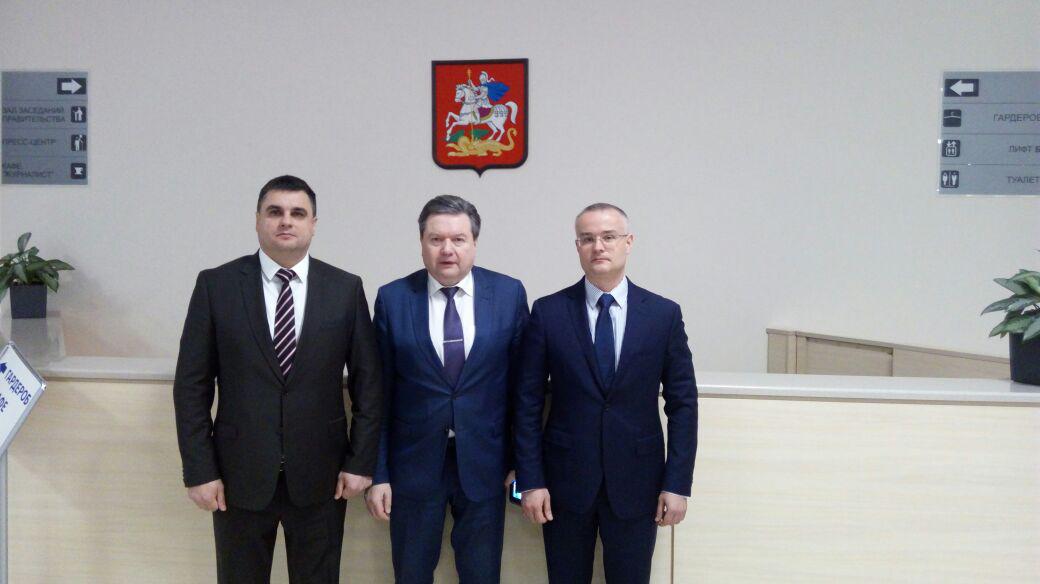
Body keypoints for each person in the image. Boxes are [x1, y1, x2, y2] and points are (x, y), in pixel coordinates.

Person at [173, 175, 382, 584]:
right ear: (257, 220)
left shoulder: (344, 289)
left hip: (323, 477)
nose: (286, 221)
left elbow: (369, 385)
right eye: (275, 212)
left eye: (297, 213)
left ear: (313, 224)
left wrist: (360, 462)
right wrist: (199, 469)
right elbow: (191, 386)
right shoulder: (216, 286)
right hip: (238, 476)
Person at [514, 203, 698, 583]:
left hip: (639, 483)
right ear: (577, 247)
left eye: (608, 237)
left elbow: (683, 404)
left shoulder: (663, 315)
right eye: (587, 239)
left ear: (628, 242)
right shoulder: (548, 313)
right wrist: (530, 480)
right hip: (564, 485)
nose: (598, 246)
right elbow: (526, 402)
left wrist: (677, 483)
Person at [365, 195, 528, 583]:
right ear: (421, 243)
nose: (447, 249)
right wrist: (378, 473)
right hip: (413, 466)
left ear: (475, 243)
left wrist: (521, 464)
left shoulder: (508, 294)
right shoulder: (393, 298)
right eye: (436, 239)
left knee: (482, 575)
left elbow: (523, 390)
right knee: (411, 574)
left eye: (458, 239)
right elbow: (378, 395)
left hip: (487, 464)